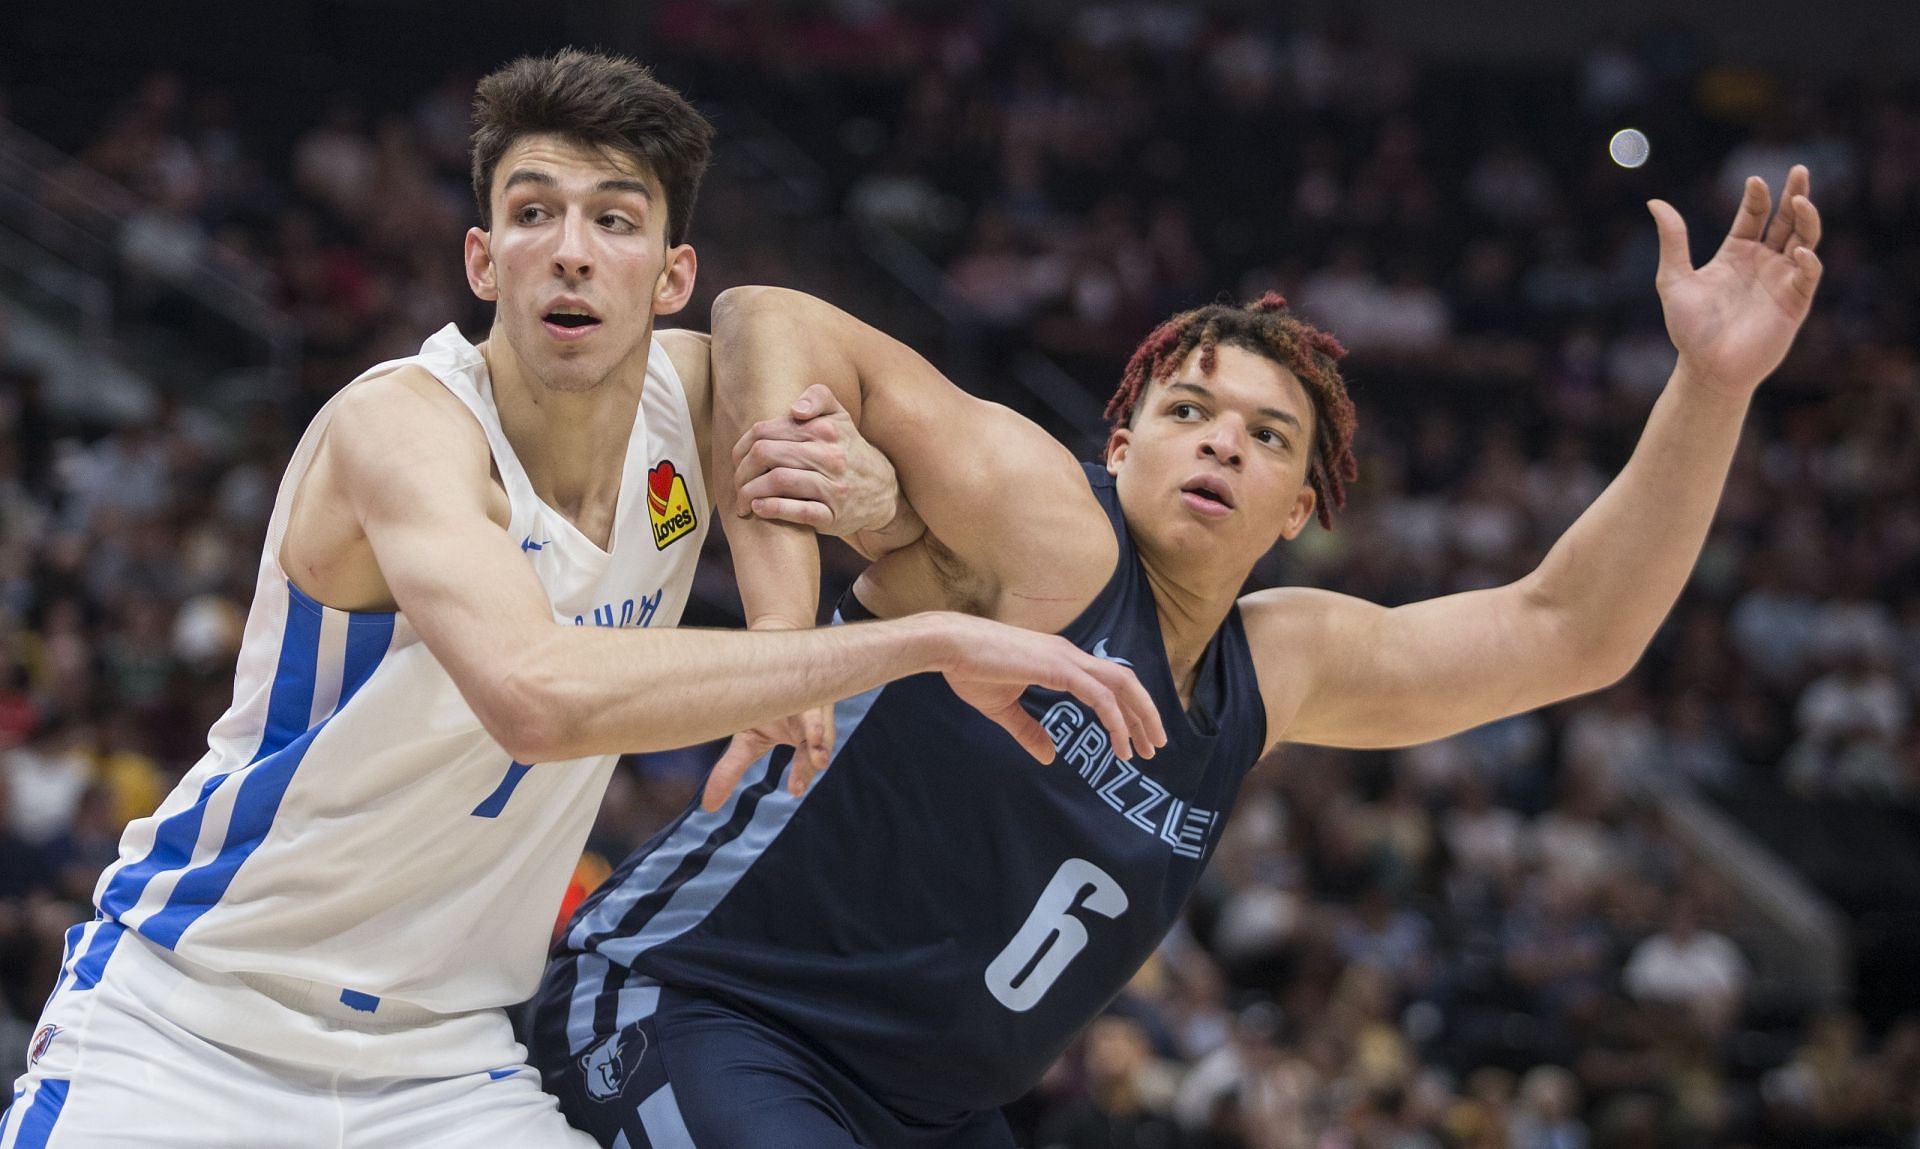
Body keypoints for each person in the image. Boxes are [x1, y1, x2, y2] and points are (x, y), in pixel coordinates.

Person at [0, 50, 1161, 1149]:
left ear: (671, 275)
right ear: (480, 259)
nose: (570, 251)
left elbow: (777, 334)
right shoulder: (400, 427)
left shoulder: (697, 396)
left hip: (445, 1066)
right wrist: (909, 643)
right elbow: (535, 695)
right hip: (194, 1019)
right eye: (533, 212)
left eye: (613, 219)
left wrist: (861, 515)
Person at [533, 168, 1825, 1146]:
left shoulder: (1283, 666)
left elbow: (1571, 633)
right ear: (1120, 446)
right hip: (703, 1013)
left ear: (1299, 510)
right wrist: (777, 633)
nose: (1218, 444)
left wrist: (1711, 389)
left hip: (921, 1115)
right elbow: (769, 313)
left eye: (1266, 437)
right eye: (1189, 411)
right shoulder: (1051, 532)